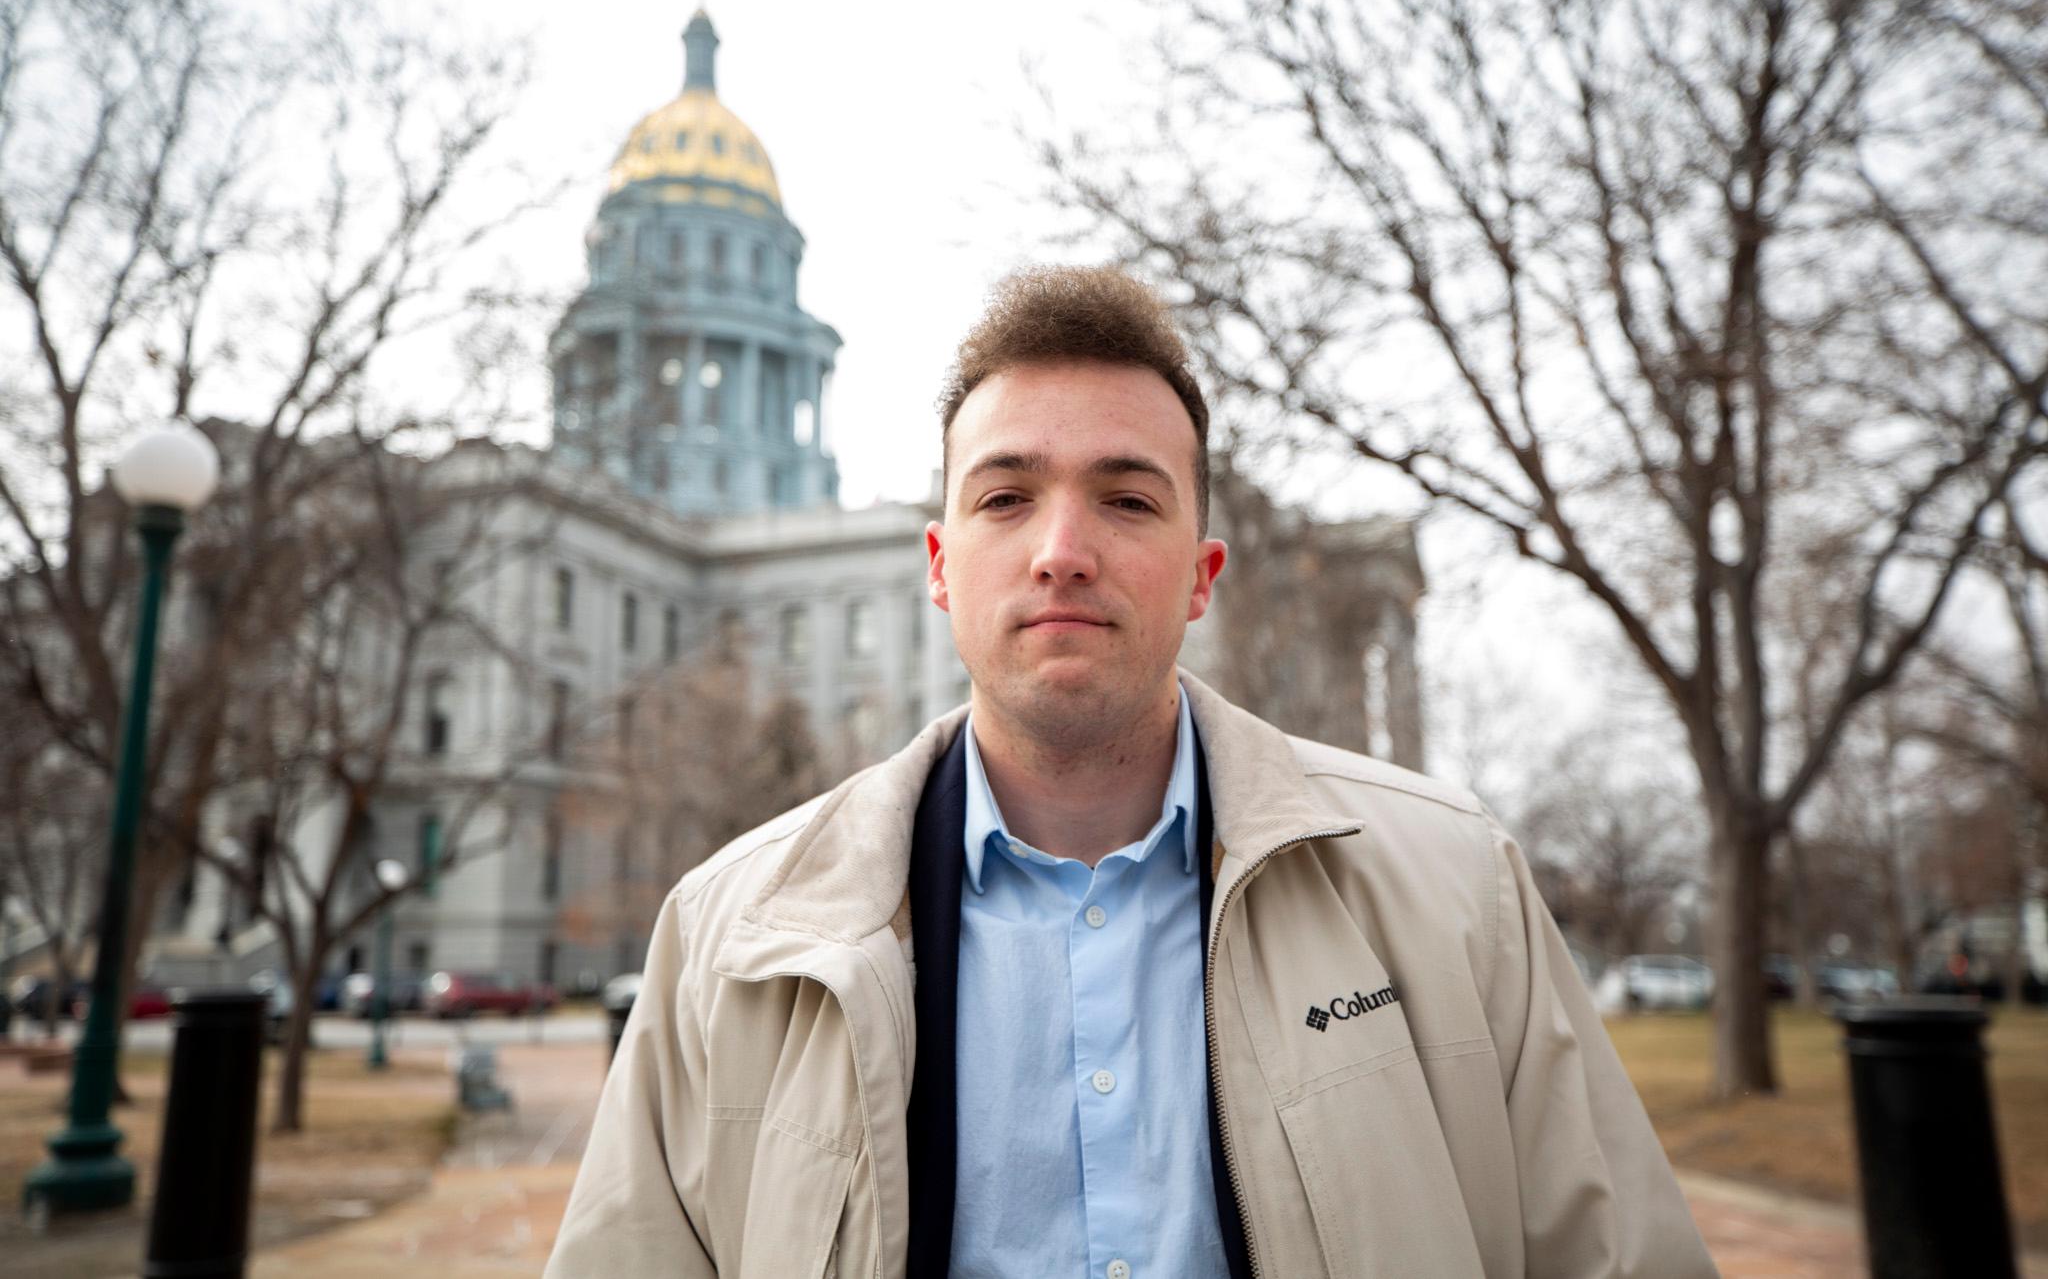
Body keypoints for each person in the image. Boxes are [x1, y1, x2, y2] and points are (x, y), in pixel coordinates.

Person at [547, 266, 1718, 1279]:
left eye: (1125, 497)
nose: (1061, 552)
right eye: (1006, 498)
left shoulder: (1458, 894)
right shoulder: (723, 938)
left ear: (1202, 573)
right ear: (939, 566)